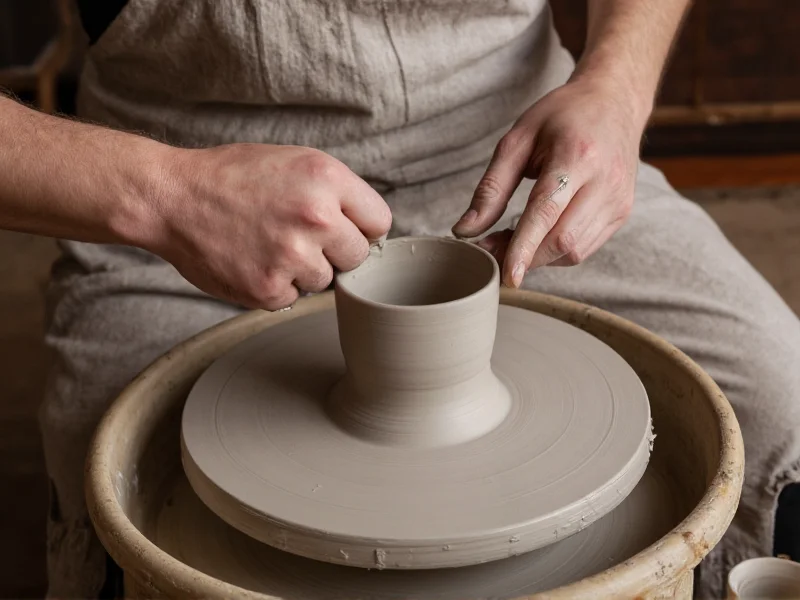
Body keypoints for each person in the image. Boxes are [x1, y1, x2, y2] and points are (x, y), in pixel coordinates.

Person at [1, 1, 798, 597]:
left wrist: (616, 88)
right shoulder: (173, 189)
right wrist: (163, 195)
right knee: (119, 491)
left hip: (511, 147)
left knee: (777, 400)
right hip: (185, 168)